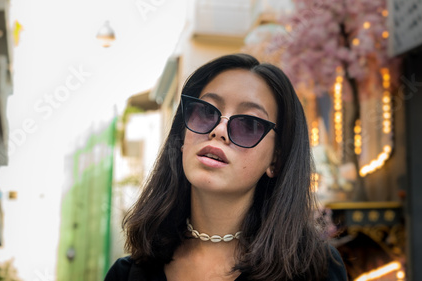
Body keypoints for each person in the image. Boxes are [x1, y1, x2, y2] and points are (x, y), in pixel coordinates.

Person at [105, 53, 347, 281]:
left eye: (248, 124)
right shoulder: (126, 275)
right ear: (182, 137)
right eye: (205, 112)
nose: (218, 130)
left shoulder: (316, 270)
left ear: (276, 160)